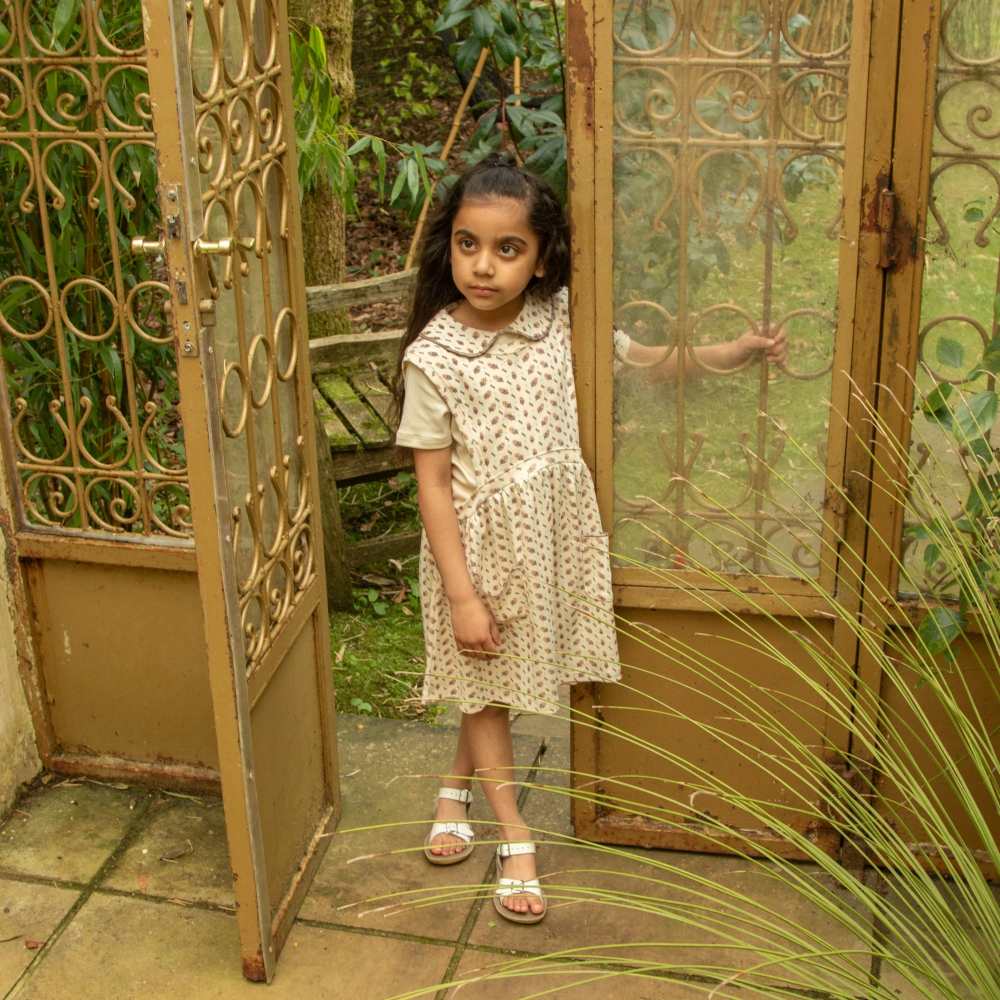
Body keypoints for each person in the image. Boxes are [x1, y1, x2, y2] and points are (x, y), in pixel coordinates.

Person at [393, 152, 787, 926]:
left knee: (491, 684)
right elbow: (432, 484)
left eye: (508, 249)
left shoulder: (557, 320)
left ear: (541, 261)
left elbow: (641, 361)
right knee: (486, 680)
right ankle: (516, 842)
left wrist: (727, 354)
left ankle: (454, 789)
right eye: (469, 244)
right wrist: (462, 593)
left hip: (550, 535)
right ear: (450, 247)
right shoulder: (434, 357)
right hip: (477, 552)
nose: (483, 265)